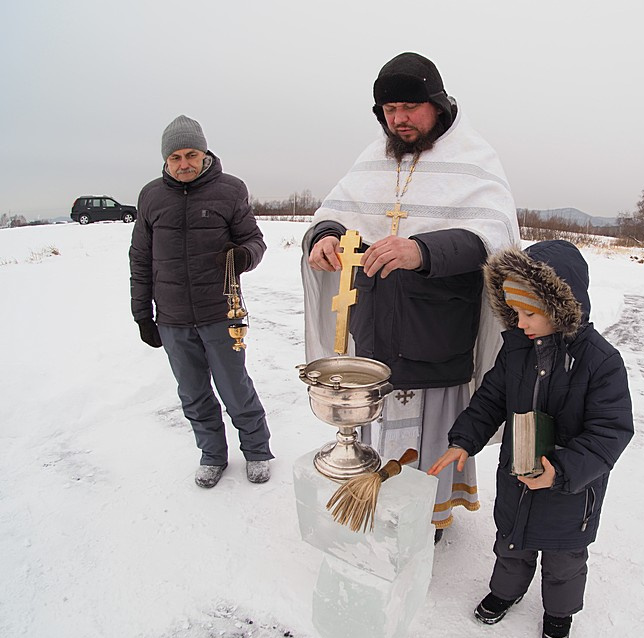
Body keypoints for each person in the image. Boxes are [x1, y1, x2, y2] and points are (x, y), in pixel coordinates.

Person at [301, 52, 520, 540]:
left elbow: (493, 236)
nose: (397, 119)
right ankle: (371, 499)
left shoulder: (474, 157)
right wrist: (326, 236)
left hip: (436, 332)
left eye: (409, 107)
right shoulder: (372, 157)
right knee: (373, 424)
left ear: (437, 105)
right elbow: (332, 212)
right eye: (388, 109)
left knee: (432, 429)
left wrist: (421, 250)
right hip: (375, 328)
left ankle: (429, 515)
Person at [428, 240, 634, 638]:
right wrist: (463, 440)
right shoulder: (516, 351)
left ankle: (559, 612)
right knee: (511, 542)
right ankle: (507, 591)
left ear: (560, 307)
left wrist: (562, 471)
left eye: (530, 313)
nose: (520, 322)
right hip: (518, 477)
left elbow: (611, 431)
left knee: (564, 559)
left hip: (571, 490)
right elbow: (489, 400)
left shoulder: (600, 361)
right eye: (515, 312)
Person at [130, 115, 273, 489]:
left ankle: (257, 449)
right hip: (173, 318)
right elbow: (140, 258)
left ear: (204, 152)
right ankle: (212, 454)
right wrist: (142, 313)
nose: (184, 164)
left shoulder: (229, 190)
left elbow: (255, 241)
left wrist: (244, 256)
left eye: (190, 154)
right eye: (175, 157)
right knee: (192, 392)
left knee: (234, 387)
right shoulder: (151, 196)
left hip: (221, 312)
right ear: (165, 160)